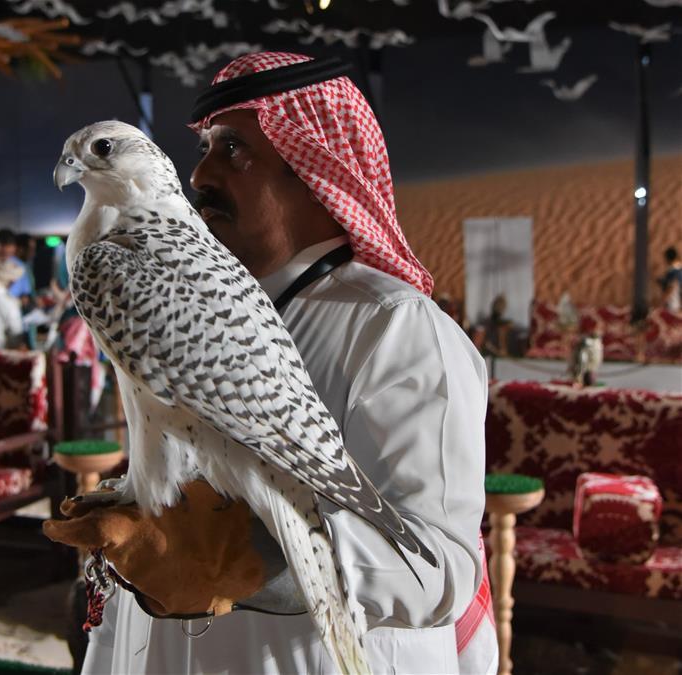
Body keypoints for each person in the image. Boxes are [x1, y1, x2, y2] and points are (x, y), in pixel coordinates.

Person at [72, 52, 494, 674]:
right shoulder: (174, 298)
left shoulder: (396, 328)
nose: (201, 172)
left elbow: (438, 568)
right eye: (206, 147)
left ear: (318, 170)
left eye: (234, 149)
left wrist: (248, 565)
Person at [659, 246, 682, 312]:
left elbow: (671, 287)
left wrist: (662, 301)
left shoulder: (672, 271)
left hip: (672, 303)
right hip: (678, 303)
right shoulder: (680, 268)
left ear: (667, 258)